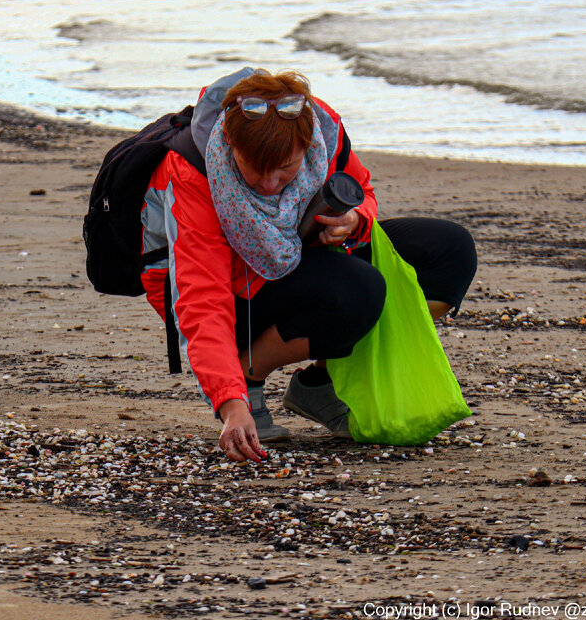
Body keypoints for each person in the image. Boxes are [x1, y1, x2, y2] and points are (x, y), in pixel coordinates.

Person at [139, 67, 476, 463]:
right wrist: (230, 404)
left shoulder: (324, 132)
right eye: (255, 169)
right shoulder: (191, 171)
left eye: (285, 168)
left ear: (305, 142)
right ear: (229, 141)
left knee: (449, 252)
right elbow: (200, 300)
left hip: (294, 257)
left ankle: (319, 382)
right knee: (358, 289)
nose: (269, 184)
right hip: (227, 297)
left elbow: (361, 191)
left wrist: (355, 222)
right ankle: (248, 378)